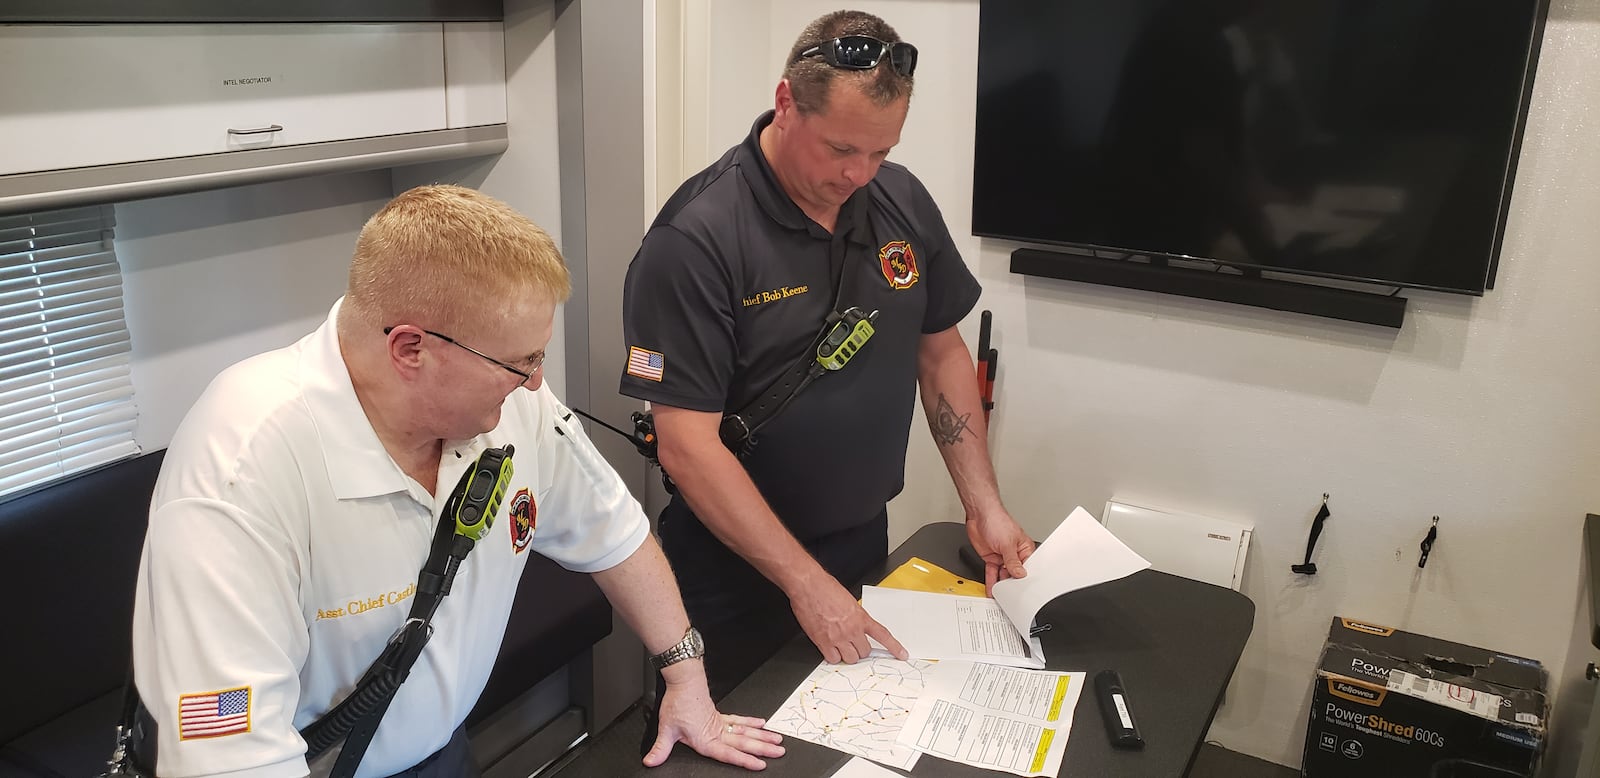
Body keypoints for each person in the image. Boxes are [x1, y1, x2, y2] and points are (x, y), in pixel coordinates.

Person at [131, 185, 783, 777]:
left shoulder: (512, 406)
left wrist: (687, 679)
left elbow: (615, 533)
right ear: (411, 349)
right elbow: (232, 762)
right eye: (519, 362)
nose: (534, 382)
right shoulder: (244, 463)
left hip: (438, 754)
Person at [619, 10, 1036, 701]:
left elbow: (941, 356)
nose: (860, 174)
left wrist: (983, 505)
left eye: (882, 151)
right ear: (787, 103)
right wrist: (805, 584)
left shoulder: (899, 200)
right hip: (733, 577)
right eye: (842, 149)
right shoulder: (696, 239)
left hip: (861, 543)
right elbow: (685, 445)